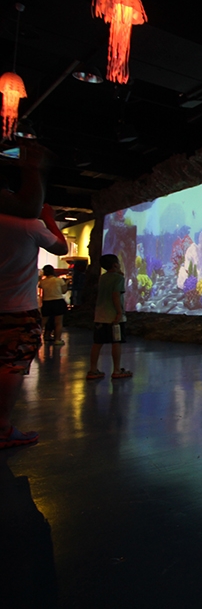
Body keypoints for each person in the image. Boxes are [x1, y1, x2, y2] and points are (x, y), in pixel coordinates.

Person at [0, 141, 68, 448]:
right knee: (13, 364)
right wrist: (48, 216)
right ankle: (2, 428)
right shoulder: (28, 225)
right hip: (18, 309)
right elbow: (61, 247)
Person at [87, 254, 131, 380]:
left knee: (97, 343)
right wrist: (119, 312)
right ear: (115, 265)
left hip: (100, 316)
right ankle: (116, 370)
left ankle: (93, 370)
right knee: (116, 342)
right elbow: (115, 295)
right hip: (114, 318)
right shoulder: (118, 278)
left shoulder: (102, 277)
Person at [39, 265, 68, 345]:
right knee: (58, 322)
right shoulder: (59, 280)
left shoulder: (42, 282)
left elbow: (41, 288)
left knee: (43, 322)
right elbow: (64, 291)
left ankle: (37, 337)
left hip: (46, 302)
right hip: (58, 301)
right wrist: (66, 283)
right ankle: (57, 339)